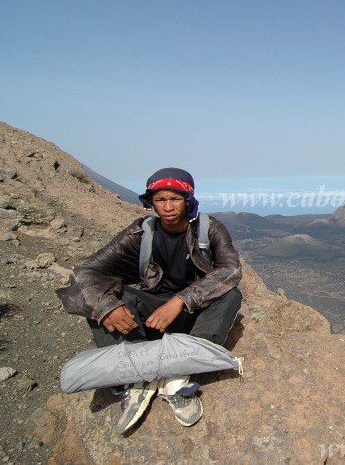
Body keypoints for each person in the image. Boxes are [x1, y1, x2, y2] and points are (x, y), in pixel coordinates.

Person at [57, 168, 243, 434]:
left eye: (175, 199)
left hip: (193, 314)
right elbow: (87, 272)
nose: (168, 207)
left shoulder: (209, 229)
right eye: (160, 200)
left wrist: (181, 299)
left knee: (231, 295)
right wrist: (108, 306)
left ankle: (173, 377)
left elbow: (230, 270)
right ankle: (139, 378)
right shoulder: (140, 233)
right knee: (102, 298)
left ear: (188, 200)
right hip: (153, 313)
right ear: (151, 202)